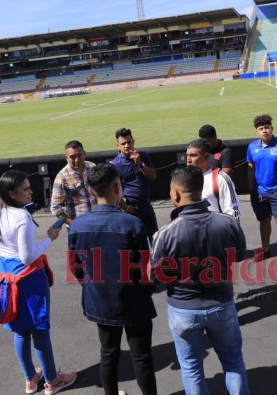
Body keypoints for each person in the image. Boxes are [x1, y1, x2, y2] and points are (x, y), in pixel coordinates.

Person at [150, 165, 249, 395]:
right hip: (222, 304)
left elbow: (155, 281)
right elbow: (240, 254)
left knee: (192, 368)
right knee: (233, 362)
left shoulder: (164, 234)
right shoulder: (228, 223)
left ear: (175, 194)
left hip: (184, 311)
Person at [68, 163, 157, 395]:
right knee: (142, 357)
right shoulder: (132, 224)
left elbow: (76, 269)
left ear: (91, 191)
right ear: (118, 187)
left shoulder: (77, 226)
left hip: (101, 301)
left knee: (108, 355)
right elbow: (144, 269)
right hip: (133, 301)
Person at [0, 170, 76, 395]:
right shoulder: (21, 217)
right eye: (25, 189)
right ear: (12, 193)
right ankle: (53, 382)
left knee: (20, 332)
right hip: (30, 280)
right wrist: (49, 239)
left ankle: (30, 379)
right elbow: (27, 257)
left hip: (6, 278)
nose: (30, 192)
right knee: (40, 330)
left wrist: (7, 270)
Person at [247, 114, 277, 263]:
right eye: (261, 129)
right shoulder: (252, 147)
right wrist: (252, 189)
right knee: (263, 221)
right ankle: (266, 249)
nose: (264, 131)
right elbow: (250, 169)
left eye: (267, 127)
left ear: (272, 128)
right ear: (256, 131)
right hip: (259, 192)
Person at [111, 127, 158, 241]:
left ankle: (156, 259)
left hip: (147, 205)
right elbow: (113, 191)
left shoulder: (143, 156)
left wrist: (140, 164)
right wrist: (125, 207)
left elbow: (153, 176)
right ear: (118, 146)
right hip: (131, 208)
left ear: (133, 142)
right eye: (123, 143)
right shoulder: (115, 165)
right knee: (137, 242)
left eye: (129, 142)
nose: (127, 145)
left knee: (156, 239)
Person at [186, 138, 241, 219]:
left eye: (193, 155)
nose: (188, 160)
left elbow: (233, 211)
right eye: (187, 155)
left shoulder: (221, 178)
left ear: (206, 156)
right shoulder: (185, 179)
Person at [50, 140, 96, 226]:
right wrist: (73, 224)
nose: (77, 160)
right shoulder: (62, 177)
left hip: (97, 222)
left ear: (84, 154)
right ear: (66, 158)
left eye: (79, 155)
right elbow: (55, 207)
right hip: (79, 226)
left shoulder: (92, 167)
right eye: (72, 157)